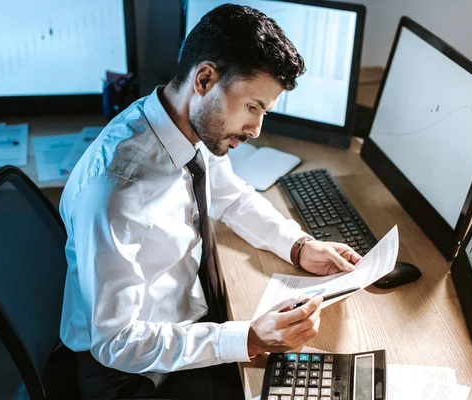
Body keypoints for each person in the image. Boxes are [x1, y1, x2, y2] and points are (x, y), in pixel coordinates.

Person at [59, 4, 362, 399]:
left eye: (264, 111)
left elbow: (231, 198)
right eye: (252, 107)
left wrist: (299, 245)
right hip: (134, 373)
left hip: (184, 325)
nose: (255, 129)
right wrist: (249, 337)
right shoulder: (119, 189)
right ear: (204, 79)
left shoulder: (180, 127)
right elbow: (116, 341)